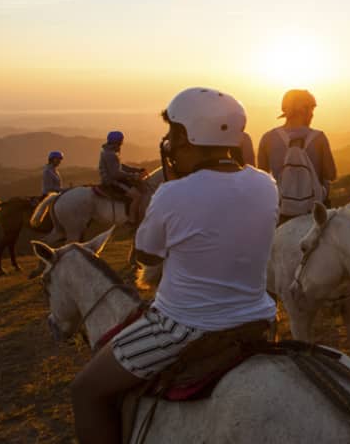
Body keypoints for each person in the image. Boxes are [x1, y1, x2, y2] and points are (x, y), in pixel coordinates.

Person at [70, 87, 279, 444]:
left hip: (183, 325)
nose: (167, 142)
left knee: (85, 391)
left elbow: (148, 256)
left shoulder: (172, 193)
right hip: (259, 316)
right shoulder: (266, 184)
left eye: (172, 133)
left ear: (187, 136)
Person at [257, 89, 337, 218]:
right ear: (303, 110)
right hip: (315, 212)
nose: (312, 114)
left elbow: (262, 179)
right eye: (310, 109)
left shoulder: (267, 138)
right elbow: (331, 174)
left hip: (281, 211)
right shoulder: (319, 138)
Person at [98, 131, 147, 225]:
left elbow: (120, 166)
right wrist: (133, 176)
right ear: (117, 142)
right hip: (112, 182)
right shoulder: (111, 154)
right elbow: (116, 173)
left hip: (113, 179)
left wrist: (136, 170)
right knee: (137, 196)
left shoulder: (109, 151)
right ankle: (131, 220)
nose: (122, 143)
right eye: (121, 141)